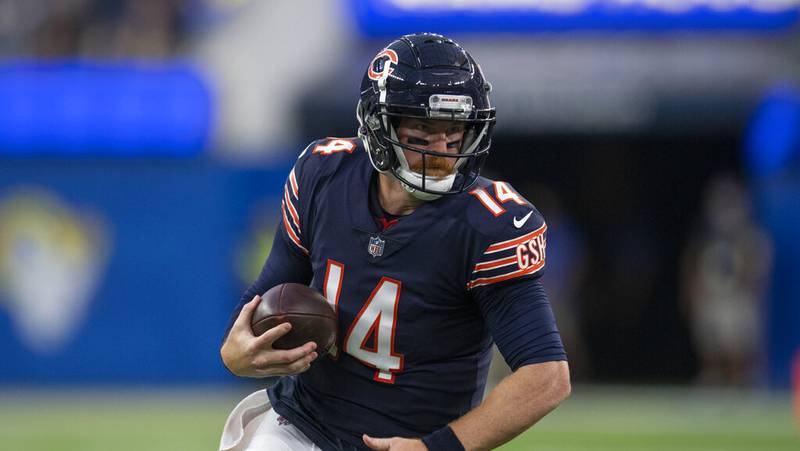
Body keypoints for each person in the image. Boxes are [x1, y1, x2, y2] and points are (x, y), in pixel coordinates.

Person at [219, 33, 570, 451]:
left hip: (414, 442)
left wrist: (436, 448)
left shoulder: (487, 225)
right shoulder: (323, 176)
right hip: (299, 426)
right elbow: (264, 298)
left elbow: (547, 375)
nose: (442, 150)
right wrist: (235, 350)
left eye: (454, 131)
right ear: (378, 125)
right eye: (423, 130)